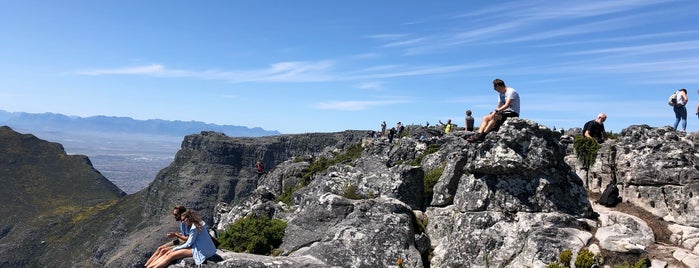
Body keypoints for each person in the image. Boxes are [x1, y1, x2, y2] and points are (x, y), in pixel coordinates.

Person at [147, 210, 217, 268]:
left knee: (171, 255)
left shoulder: (194, 228)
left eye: (183, 220)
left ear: (188, 218)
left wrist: (175, 248)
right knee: (169, 253)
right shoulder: (199, 223)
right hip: (207, 248)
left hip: (202, 250)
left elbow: (188, 243)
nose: (183, 222)